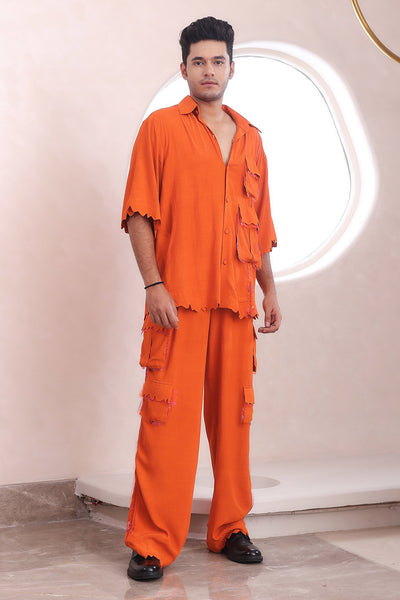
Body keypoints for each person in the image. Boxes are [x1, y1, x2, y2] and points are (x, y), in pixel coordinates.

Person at [121, 16, 282, 581]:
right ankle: (151, 542)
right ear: (183, 68)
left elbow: (258, 226)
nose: (208, 70)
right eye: (198, 62)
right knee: (166, 417)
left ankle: (231, 526)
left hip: (236, 303)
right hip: (179, 302)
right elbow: (138, 213)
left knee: (235, 418)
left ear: (232, 68)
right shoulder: (160, 129)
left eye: (217, 61)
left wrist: (269, 288)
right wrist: (153, 285)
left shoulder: (252, 138)